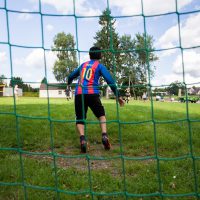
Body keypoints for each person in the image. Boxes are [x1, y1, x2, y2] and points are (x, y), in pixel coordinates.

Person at [67, 46, 124, 153]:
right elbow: (110, 80)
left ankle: (83, 140)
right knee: (101, 115)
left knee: (80, 118)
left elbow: (71, 76)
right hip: (92, 93)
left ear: (90, 55)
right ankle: (104, 136)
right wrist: (118, 96)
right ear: (100, 55)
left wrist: (68, 82)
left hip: (79, 93)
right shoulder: (99, 66)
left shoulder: (83, 65)